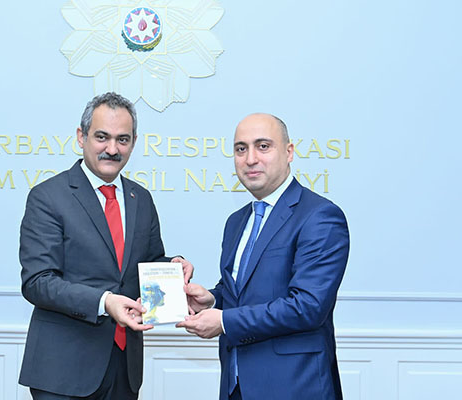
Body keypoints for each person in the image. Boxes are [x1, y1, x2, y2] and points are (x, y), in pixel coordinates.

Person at [19, 92, 192, 400]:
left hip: (124, 368)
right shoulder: (48, 197)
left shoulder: (141, 198)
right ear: (81, 136)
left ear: (134, 142)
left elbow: (146, 264)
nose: (112, 149)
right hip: (63, 371)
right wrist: (105, 301)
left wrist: (173, 267)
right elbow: (37, 282)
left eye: (122, 139)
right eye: (102, 137)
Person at [176, 113, 349, 400]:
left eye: (263, 146)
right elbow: (242, 293)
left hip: (295, 388)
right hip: (236, 386)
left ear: (289, 152)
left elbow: (308, 306)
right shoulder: (236, 221)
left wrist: (225, 321)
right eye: (240, 149)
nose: (250, 159)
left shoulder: (320, 216)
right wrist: (212, 299)